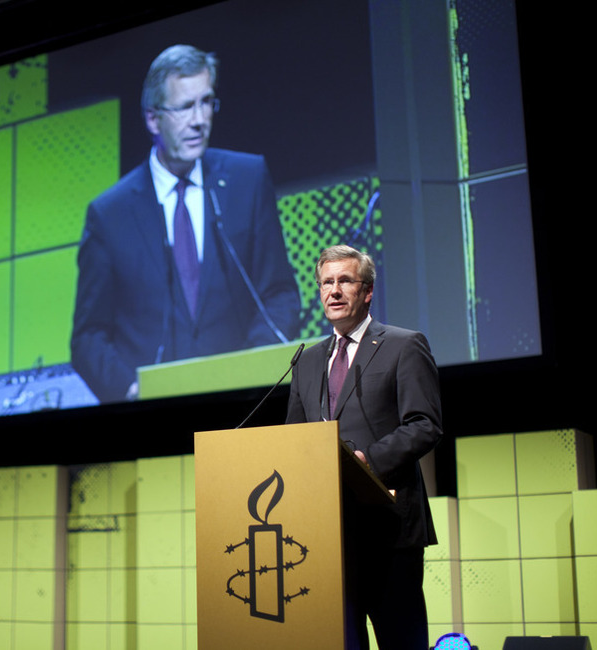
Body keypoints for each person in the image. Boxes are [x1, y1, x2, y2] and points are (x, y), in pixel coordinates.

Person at [71, 44, 301, 403]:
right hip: (153, 419)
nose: (199, 119)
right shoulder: (109, 214)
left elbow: (279, 294)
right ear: (153, 118)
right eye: (184, 107)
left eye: (206, 102)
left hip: (241, 408)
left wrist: (250, 372)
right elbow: (89, 337)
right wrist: (131, 391)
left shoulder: (247, 179)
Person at [285, 245, 442, 650]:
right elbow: (294, 439)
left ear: (367, 291)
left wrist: (366, 461)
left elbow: (425, 424)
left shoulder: (403, 346)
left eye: (345, 281)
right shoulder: (306, 360)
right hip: (329, 534)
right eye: (326, 283)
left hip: (388, 528)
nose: (334, 291)